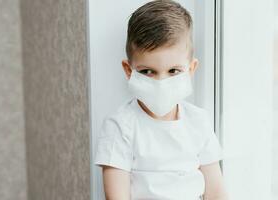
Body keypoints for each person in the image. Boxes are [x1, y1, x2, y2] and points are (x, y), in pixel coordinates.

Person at [94, 0, 229, 199]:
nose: (161, 82)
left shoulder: (198, 122)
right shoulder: (121, 127)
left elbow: (217, 192)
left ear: (190, 69)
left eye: (174, 71)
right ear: (129, 71)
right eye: (148, 71)